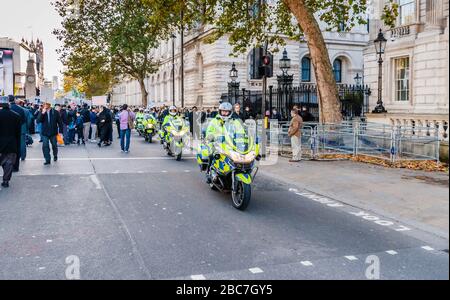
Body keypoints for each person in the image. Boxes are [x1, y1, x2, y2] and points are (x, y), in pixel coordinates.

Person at [0, 97, 21, 188]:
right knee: (9, 162)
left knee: (3, 160)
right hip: (12, 142)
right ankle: (6, 180)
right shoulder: (16, 116)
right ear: (9, 104)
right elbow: (18, 133)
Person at [8, 96, 26, 172]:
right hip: (20, 129)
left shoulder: (7, 109)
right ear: (14, 100)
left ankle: (10, 160)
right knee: (20, 144)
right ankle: (21, 157)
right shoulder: (20, 109)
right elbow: (24, 120)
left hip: (9, 131)